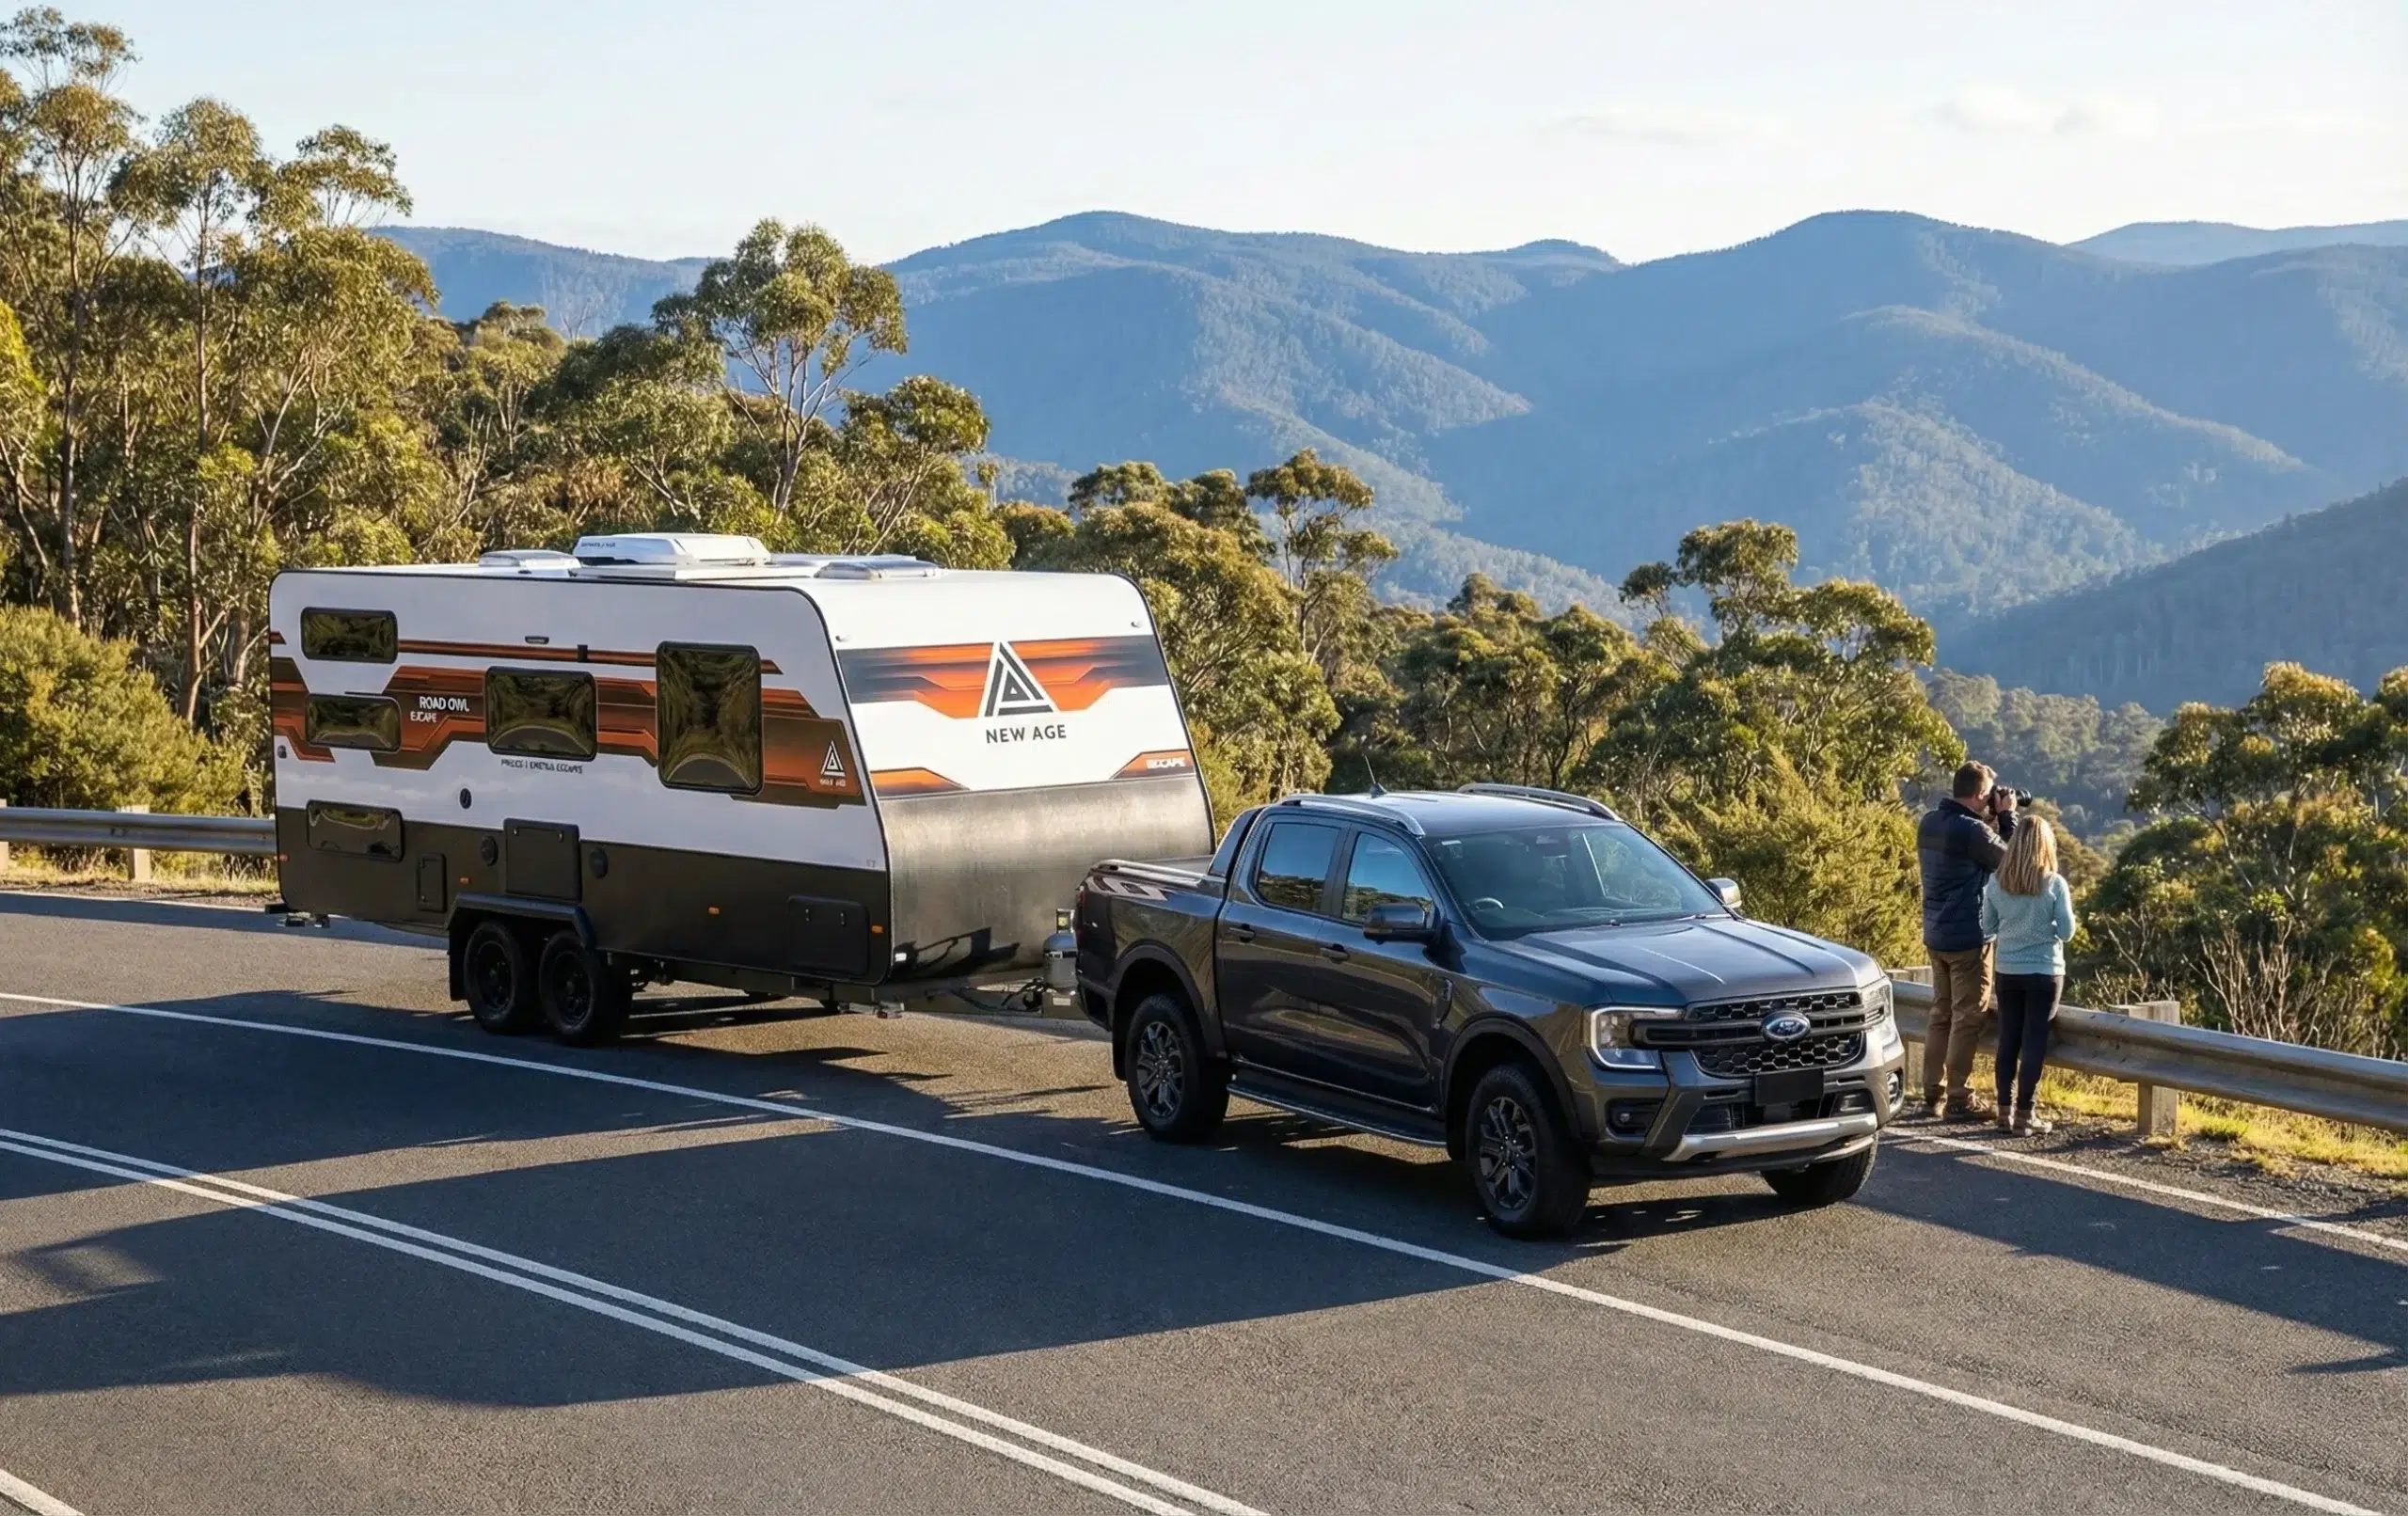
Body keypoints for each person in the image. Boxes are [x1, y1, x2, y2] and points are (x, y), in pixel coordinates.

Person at [1915, 760, 2017, 1118]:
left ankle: (1931, 1091)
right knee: (1967, 1016)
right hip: (1969, 937)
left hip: (1936, 932)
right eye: (1989, 795)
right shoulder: (1975, 833)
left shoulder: (1930, 822)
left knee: (1940, 1013)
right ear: (1978, 795)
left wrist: (1987, 820)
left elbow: (1969, 851)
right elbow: (2011, 863)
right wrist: (2007, 819)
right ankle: (1959, 1096)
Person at [1982, 817, 2077, 1136]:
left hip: (2008, 971)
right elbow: (2066, 932)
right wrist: (2044, 927)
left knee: (2008, 1039)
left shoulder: (1996, 883)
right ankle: (2026, 1114)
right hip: (2044, 971)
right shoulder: (2054, 884)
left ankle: (2003, 1112)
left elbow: (1988, 927)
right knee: (2034, 1041)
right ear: (2045, 845)